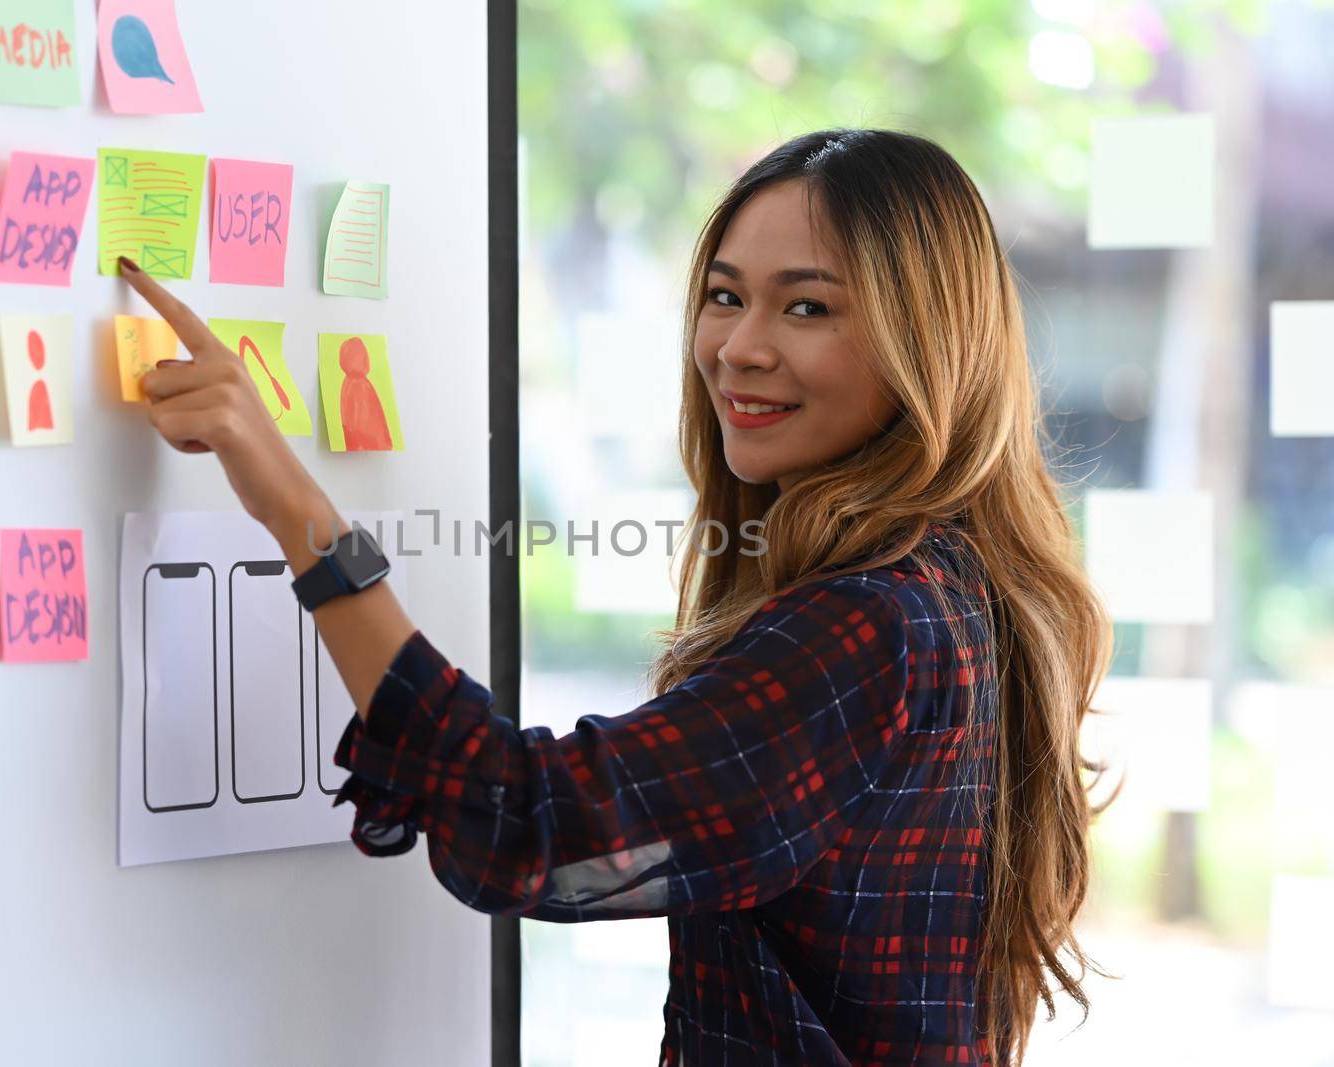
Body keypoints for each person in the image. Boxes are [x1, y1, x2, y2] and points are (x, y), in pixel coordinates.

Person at [117, 126, 1115, 1067]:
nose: (738, 347)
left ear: (925, 345)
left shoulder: (870, 626)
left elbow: (529, 823)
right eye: (724, 296)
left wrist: (295, 509)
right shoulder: (951, 590)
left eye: (806, 306)